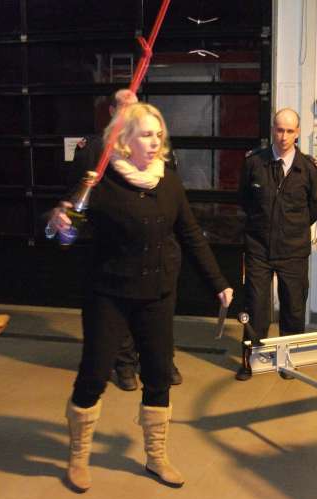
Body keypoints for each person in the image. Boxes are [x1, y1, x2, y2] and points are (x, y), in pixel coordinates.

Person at [48, 102, 233, 492]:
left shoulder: (168, 180)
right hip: (109, 293)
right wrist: (58, 221)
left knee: (159, 375)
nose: (155, 142)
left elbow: (191, 234)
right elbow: (64, 236)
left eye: (158, 134)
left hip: (158, 292)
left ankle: (156, 457)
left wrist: (219, 282)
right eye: (146, 135)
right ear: (124, 141)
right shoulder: (98, 181)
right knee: (93, 376)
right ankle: (79, 458)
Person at [68, 89, 183, 391]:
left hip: (156, 251)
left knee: (157, 320)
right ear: (112, 113)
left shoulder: (154, 147)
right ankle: (124, 365)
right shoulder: (94, 149)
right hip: (116, 251)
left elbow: (169, 191)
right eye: (124, 108)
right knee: (118, 315)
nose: (131, 113)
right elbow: (79, 198)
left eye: (136, 107)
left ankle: (159, 361)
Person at [235, 108, 317, 381]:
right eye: (279, 129)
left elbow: (316, 206)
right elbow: (244, 201)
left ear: (298, 133)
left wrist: (292, 228)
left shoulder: (308, 168)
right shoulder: (254, 163)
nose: (283, 136)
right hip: (258, 249)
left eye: (289, 131)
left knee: (293, 307)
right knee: (255, 306)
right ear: (272, 130)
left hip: (293, 250)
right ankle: (251, 359)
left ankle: (288, 359)